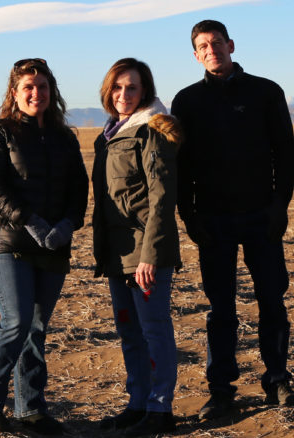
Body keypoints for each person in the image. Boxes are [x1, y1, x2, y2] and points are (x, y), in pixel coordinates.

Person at [171, 19, 294, 420]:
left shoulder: (266, 92)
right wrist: (189, 216)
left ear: (230, 44)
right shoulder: (187, 100)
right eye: (203, 46)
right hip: (213, 219)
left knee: (272, 301)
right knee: (220, 309)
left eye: (216, 42)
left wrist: (279, 205)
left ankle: (278, 379)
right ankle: (221, 390)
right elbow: (181, 165)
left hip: (260, 215)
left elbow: (284, 151)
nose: (211, 50)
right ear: (195, 55)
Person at [0, 58, 88, 434]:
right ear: (15, 93)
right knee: (16, 321)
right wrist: (31, 221)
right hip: (8, 242)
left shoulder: (65, 138)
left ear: (52, 91)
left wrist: (67, 225)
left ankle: (31, 409)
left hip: (53, 245)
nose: (36, 93)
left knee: (36, 329)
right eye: (28, 87)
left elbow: (79, 188)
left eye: (43, 86)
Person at [91, 58, 181, 436]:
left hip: (144, 253)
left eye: (132, 88)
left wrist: (150, 255)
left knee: (154, 330)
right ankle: (137, 403)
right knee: (129, 333)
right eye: (117, 87)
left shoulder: (151, 130)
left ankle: (160, 409)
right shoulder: (109, 134)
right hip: (117, 253)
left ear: (145, 91)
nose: (123, 94)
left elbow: (161, 196)